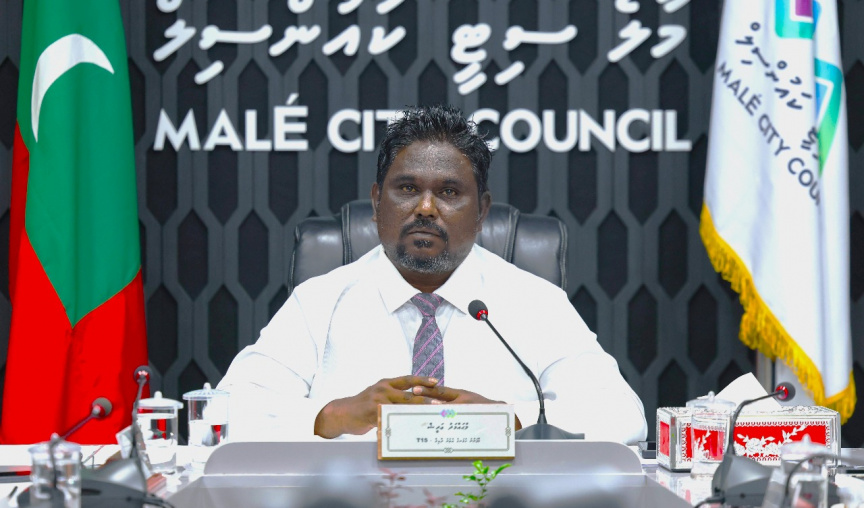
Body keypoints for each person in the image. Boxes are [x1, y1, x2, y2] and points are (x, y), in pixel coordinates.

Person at [218, 105, 647, 444]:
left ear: (481, 211)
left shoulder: (534, 302)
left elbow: (623, 417)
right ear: (377, 202)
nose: (425, 208)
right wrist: (332, 415)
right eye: (407, 189)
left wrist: (510, 422)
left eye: (448, 192)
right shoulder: (321, 301)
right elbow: (225, 412)